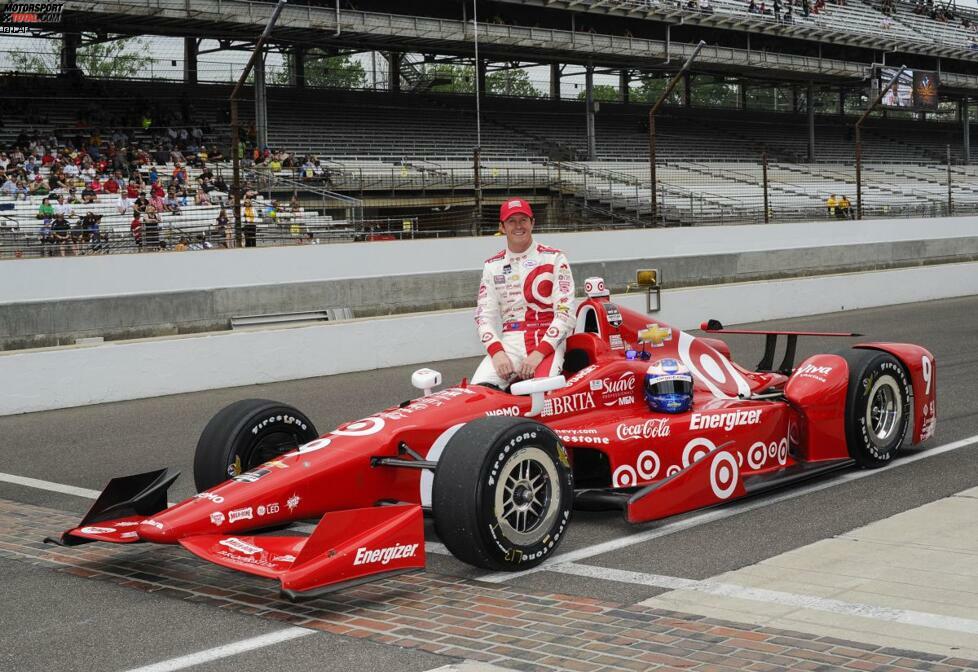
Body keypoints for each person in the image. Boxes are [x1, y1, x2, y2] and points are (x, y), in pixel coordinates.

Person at [471, 198, 576, 388]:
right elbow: (483, 317)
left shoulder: (554, 258)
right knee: (479, 391)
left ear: (532, 223)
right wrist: (497, 353)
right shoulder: (492, 266)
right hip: (510, 341)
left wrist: (539, 353)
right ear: (502, 227)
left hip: (548, 340)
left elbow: (566, 315)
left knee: (542, 391)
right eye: (511, 221)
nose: (518, 226)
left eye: (523, 220)